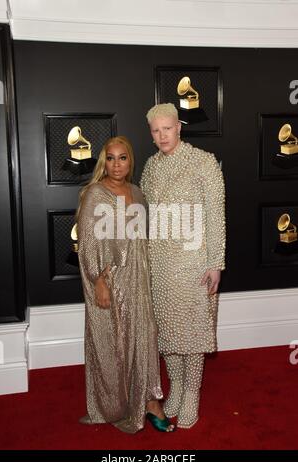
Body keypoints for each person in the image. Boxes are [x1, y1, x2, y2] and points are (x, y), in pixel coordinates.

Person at [77, 135, 175, 433]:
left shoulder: (138, 192)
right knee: (114, 340)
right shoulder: (95, 194)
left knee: (144, 335)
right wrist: (99, 281)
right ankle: (118, 404)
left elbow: (144, 238)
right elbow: (89, 243)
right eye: (110, 158)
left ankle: (149, 401)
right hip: (112, 277)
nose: (116, 164)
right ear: (103, 162)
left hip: (139, 276)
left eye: (122, 158)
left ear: (130, 161)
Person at [140, 103, 225, 429]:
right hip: (159, 259)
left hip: (194, 260)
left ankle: (192, 393)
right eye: (155, 130)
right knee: (167, 331)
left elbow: (216, 215)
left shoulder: (203, 162)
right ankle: (174, 386)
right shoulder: (150, 166)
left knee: (192, 332)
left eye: (167, 128)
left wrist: (215, 262)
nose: (162, 136)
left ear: (179, 127)